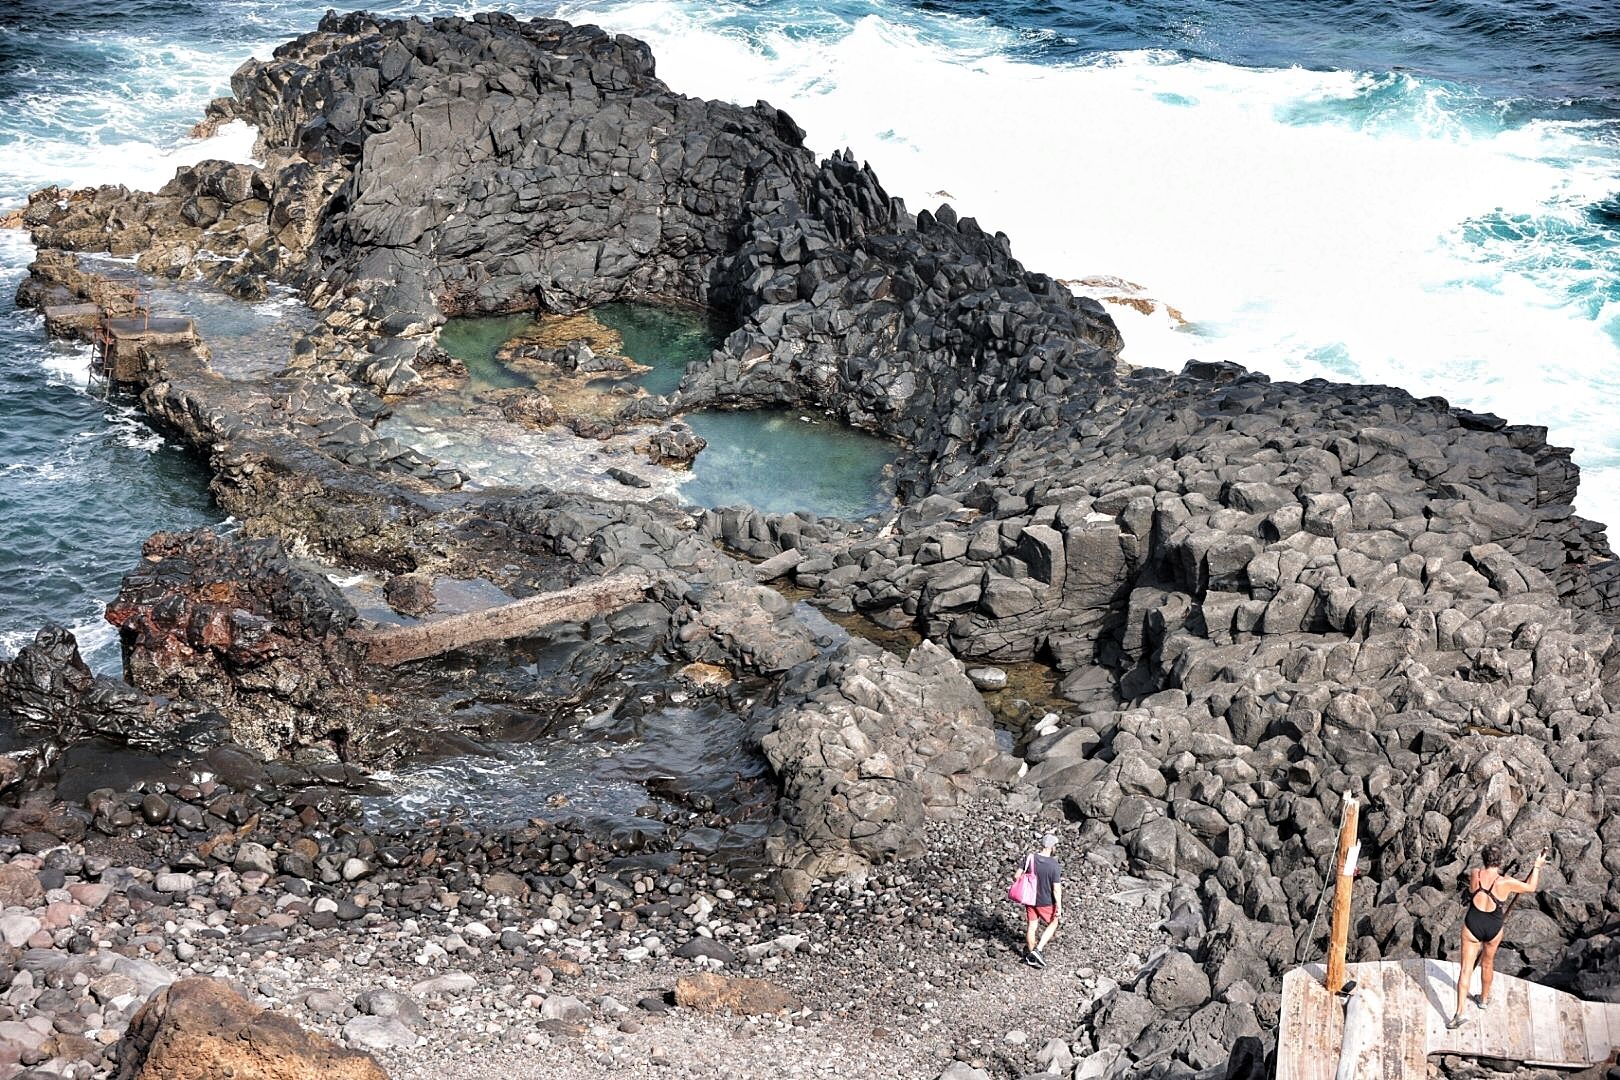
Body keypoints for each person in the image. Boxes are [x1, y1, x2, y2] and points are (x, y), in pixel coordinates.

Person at [1449, 843, 1546, 1028]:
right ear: (1500, 862)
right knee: (1487, 963)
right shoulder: (1505, 882)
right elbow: (1531, 887)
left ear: (1483, 859)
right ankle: (1484, 1000)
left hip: (1473, 924)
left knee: (1465, 970)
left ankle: (1460, 1012)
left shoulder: (1474, 874)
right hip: (1493, 927)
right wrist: (1537, 866)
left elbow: (1471, 892)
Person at [1023, 833, 1063, 968]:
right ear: (1052, 847)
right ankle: (1038, 950)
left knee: (1032, 926)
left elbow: (1016, 876)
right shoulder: (1054, 865)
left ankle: (1031, 955)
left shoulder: (1030, 858)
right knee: (1054, 922)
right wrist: (1059, 905)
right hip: (1045, 900)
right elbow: (1056, 889)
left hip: (1030, 898)